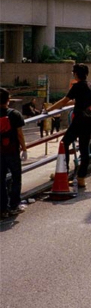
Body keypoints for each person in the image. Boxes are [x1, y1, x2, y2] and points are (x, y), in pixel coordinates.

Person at [45, 64, 91, 190]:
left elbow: (65, 100)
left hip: (79, 121)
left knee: (64, 144)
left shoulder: (77, 86)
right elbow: (77, 101)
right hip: (89, 121)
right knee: (84, 148)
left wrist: (50, 108)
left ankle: (63, 172)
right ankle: (81, 178)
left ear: (75, 74)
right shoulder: (90, 86)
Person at [0, 88, 28, 219]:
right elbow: (19, 134)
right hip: (12, 151)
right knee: (16, 178)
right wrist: (24, 148)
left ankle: (2, 208)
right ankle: (14, 205)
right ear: (8, 100)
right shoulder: (14, 114)